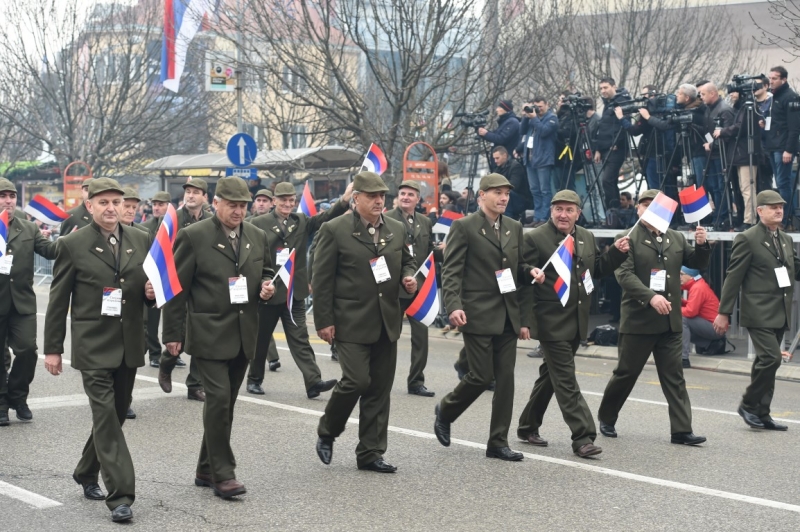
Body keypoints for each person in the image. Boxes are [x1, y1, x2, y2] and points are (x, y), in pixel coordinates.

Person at [43, 178, 155, 523]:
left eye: (116, 202)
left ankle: (85, 471)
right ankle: (120, 495)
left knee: (117, 414)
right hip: (93, 344)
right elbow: (58, 301)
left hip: (129, 343)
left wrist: (151, 294)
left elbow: (147, 288)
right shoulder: (72, 244)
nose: (111, 208)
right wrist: (53, 349)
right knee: (106, 416)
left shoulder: (140, 238)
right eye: (103, 202)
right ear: (89, 206)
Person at [162, 177, 275, 498]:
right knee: (219, 400)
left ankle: (205, 467)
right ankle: (223, 474)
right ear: (216, 203)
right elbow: (176, 288)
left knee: (226, 405)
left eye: (243, 206)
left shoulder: (256, 235)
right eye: (232, 205)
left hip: (244, 332)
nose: (238, 211)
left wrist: (267, 286)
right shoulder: (194, 236)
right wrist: (173, 334)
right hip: (208, 333)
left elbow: (266, 271)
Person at [313, 171, 417, 473]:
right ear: (356, 198)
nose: (378, 201)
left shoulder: (396, 228)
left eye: (382, 196)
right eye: (371, 196)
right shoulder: (335, 229)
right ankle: (328, 430)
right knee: (357, 381)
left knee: (379, 389)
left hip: (386, 320)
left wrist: (409, 277)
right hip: (350, 321)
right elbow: (322, 279)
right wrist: (324, 320)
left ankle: (370, 452)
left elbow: (408, 260)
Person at [516, 190, 629, 458]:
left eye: (569, 210)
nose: (563, 215)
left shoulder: (586, 236)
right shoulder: (535, 238)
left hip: (577, 320)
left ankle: (527, 425)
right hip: (550, 322)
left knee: (551, 376)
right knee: (566, 380)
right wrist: (524, 321)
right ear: (551, 211)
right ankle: (583, 437)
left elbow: (596, 270)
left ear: (578, 213)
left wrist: (616, 252)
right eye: (559, 209)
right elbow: (524, 280)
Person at [433, 173, 535, 462]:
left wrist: (530, 271)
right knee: (480, 376)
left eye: (506, 193)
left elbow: (518, 266)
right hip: (476, 313)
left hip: (508, 314)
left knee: (505, 380)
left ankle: (498, 442)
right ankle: (446, 411)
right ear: (482, 196)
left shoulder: (514, 227)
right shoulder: (464, 226)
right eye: (497, 193)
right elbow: (451, 270)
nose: (503, 198)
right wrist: (453, 306)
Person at [597, 189, 709, 446]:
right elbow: (624, 275)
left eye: (654, 205)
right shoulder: (626, 238)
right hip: (640, 320)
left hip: (669, 321)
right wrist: (650, 297)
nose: (649, 209)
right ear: (637, 209)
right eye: (644, 205)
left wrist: (702, 245)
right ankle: (607, 417)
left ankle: (681, 430)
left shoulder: (675, 237)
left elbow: (698, 263)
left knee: (674, 377)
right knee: (626, 373)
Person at [246, 180, 352, 398]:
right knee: (261, 339)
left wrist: (344, 200)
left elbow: (325, 217)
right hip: (269, 291)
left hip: (294, 292)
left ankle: (313, 382)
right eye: (283, 200)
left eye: (291, 200)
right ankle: (254, 379)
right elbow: (250, 254)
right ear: (274, 201)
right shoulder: (258, 223)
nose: (287, 204)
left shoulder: (300, 221)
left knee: (300, 338)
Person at [714, 190, 800, 431]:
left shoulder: (785, 239)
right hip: (758, 311)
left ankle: (762, 413)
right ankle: (748, 405)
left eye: (780, 206)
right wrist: (724, 312)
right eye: (773, 207)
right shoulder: (748, 238)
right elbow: (733, 277)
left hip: (780, 311)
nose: (779, 210)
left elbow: (795, 268)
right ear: (760, 211)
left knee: (766, 362)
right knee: (772, 358)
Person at [0, 178, 57, 426]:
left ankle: (18, 396)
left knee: (27, 350)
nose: (8, 201)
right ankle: (1, 404)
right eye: (2, 196)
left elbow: (49, 251)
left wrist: (71, 241)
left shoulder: (28, 228)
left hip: (22, 302)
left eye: (11, 196)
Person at [385, 180, 443, 397]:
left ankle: (416, 381)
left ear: (418, 199)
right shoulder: (387, 218)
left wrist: (445, 249)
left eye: (410, 194)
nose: (406, 197)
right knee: (390, 337)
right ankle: (382, 380)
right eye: (402, 194)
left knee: (421, 338)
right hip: (394, 287)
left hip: (419, 289)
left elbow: (428, 253)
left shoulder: (424, 222)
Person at [158, 178, 211, 401]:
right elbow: (160, 249)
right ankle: (166, 363)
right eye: (188, 191)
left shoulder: (211, 220)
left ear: (204, 197)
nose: (190, 195)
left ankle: (195, 385)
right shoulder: (173, 219)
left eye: (196, 192)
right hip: (176, 280)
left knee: (200, 334)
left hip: (201, 282)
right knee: (178, 333)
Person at [716, 88, 764, 231]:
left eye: (734, 91)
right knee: (743, 189)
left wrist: (723, 131)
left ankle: (750, 220)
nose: (731, 94)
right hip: (740, 154)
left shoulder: (749, 107)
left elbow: (741, 127)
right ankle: (746, 218)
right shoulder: (740, 108)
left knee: (748, 189)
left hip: (745, 154)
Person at [763, 66, 800, 228]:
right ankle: (785, 217)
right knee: (779, 182)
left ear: (783, 80)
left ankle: (785, 219)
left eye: (775, 78)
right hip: (773, 146)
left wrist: (789, 150)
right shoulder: (773, 97)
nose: (771, 81)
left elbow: (794, 127)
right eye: (770, 78)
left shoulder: (790, 97)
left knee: (783, 183)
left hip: (783, 147)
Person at [697, 82, 735, 227]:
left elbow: (728, 135)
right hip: (711, 155)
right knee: (713, 186)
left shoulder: (724, 110)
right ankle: (718, 214)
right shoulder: (708, 109)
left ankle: (723, 216)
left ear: (712, 93)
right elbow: (708, 131)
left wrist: (712, 145)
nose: (701, 97)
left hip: (721, 155)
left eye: (703, 94)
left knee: (721, 186)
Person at [141, 191, 171, 368]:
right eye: (154, 204)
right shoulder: (145, 227)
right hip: (152, 279)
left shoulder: (174, 225)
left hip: (171, 278)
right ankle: (154, 353)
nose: (156, 208)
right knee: (152, 321)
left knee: (174, 320)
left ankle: (173, 353)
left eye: (161, 204)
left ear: (169, 206)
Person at [517, 96, 559, 224]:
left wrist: (534, 118)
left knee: (544, 190)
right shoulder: (531, 118)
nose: (538, 109)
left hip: (543, 159)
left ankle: (544, 218)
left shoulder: (552, 118)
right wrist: (526, 115)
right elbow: (522, 131)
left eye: (540, 106)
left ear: (547, 105)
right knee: (535, 190)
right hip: (530, 159)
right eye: (536, 107)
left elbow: (544, 131)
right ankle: (537, 217)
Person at [593, 78, 632, 210]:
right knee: (610, 181)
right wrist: (598, 149)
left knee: (607, 180)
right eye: (601, 88)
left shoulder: (621, 102)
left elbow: (624, 125)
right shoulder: (607, 103)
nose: (603, 91)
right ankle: (612, 212)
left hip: (616, 148)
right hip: (605, 148)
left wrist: (617, 143)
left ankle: (614, 210)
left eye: (605, 87)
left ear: (614, 87)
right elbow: (603, 128)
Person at [680, 266, 724, 368]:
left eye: (681, 274)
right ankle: (710, 344)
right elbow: (694, 307)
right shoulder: (698, 285)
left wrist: (673, 310)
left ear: (690, 276)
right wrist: (681, 302)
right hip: (714, 326)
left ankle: (683, 358)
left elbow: (690, 312)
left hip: (714, 328)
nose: (679, 277)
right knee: (682, 324)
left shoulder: (697, 288)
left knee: (682, 320)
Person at [478, 99, 522, 165]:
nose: (497, 110)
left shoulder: (512, 122)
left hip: (506, 160)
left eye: (499, 107)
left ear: (505, 109)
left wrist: (486, 133)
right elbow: (495, 136)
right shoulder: (504, 122)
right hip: (501, 160)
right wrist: (483, 133)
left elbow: (501, 139)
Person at [492, 146, 530, 222]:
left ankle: (506, 221)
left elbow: (514, 185)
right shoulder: (497, 169)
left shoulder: (515, 166)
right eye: (494, 159)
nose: (495, 161)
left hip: (520, 200)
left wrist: (497, 188)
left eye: (497, 158)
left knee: (506, 193)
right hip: (509, 198)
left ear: (505, 155)